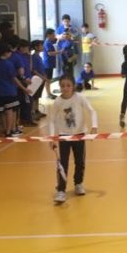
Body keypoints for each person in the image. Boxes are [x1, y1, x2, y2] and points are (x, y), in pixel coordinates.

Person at [47, 75, 98, 205]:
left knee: (80, 161)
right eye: (63, 86)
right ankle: (61, 190)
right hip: (64, 136)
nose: (65, 88)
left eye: (68, 85)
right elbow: (52, 121)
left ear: (73, 86)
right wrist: (53, 137)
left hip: (80, 135)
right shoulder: (57, 102)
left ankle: (79, 183)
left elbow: (92, 111)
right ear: (60, 87)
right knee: (62, 164)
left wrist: (94, 126)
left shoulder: (80, 98)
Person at [0, 44, 28, 138]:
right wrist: (23, 88)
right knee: (9, 111)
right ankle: (8, 131)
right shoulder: (8, 64)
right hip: (9, 91)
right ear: (6, 53)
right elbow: (14, 78)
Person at [41, 28, 58, 99]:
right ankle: (48, 94)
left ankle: (49, 93)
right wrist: (60, 51)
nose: (54, 36)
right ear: (48, 35)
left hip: (49, 63)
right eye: (53, 34)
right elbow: (50, 53)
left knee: (49, 79)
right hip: (47, 64)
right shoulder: (47, 42)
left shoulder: (49, 42)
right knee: (47, 80)